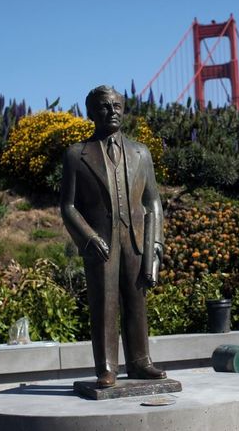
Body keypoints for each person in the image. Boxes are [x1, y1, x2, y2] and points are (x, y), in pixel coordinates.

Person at [60, 85, 165, 388]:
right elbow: (67, 206)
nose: (112, 112)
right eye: (105, 107)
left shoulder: (141, 152)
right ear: (91, 113)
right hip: (100, 242)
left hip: (135, 240)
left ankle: (140, 362)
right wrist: (88, 237)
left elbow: (153, 202)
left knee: (136, 301)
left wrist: (154, 244)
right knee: (104, 305)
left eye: (117, 106)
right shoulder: (76, 155)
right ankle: (107, 368)